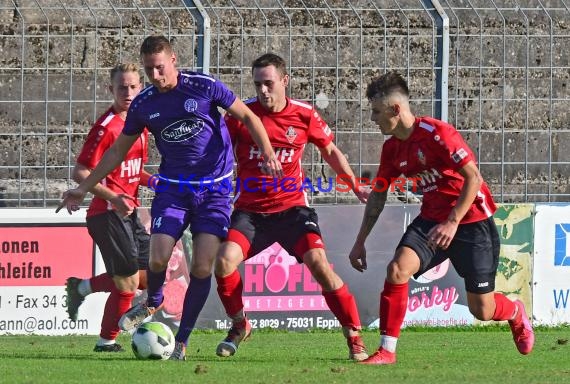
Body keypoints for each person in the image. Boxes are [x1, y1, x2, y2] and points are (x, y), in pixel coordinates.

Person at [56, 35, 282, 361]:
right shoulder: (145, 103)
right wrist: (83, 186)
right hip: (174, 190)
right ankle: (154, 299)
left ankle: (182, 341)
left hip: (214, 191)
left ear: (173, 60)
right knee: (158, 258)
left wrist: (268, 151)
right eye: (149, 70)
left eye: (160, 67)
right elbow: (119, 149)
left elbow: (249, 117)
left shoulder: (203, 86)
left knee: (203, 265)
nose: (155, 76)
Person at [348, 71, 535, 365]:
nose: (372, 119)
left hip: (471, 220)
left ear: (395, 109)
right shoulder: (392, 149)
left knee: (482, 310)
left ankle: (514, 311)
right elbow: (379, 194)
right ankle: (387, 351)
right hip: (432, 220)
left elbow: (473, 178)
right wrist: (360, 241)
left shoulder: (438, 134)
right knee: (397, 269)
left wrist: (453, 220)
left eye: (375, 111)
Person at [213, 53, 369, 361]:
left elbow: (331, 150)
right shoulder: (241, 116)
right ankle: (239, 324)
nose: (263, 91)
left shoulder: (304, 114)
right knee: (223, 262)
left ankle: (354, 336)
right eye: (258, 84)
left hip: (292, 210)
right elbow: (215, 152)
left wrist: (353, 183)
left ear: (285, 81)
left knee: (320, 266)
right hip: (251, 212)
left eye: (269, 83)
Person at [62, 63, 151, 352]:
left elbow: (129, 169)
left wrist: (154, 181)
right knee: (127, 284)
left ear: (141, 88)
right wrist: (113, 198)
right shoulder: (106, 127)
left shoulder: (140, 121)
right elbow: (82, 172)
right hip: (107, 214)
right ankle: (107, 342)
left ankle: (81, 288)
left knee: (149, 278)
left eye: (133, 86)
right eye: (121, 87)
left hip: (129, 211)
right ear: (110, 90)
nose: (128, 92)